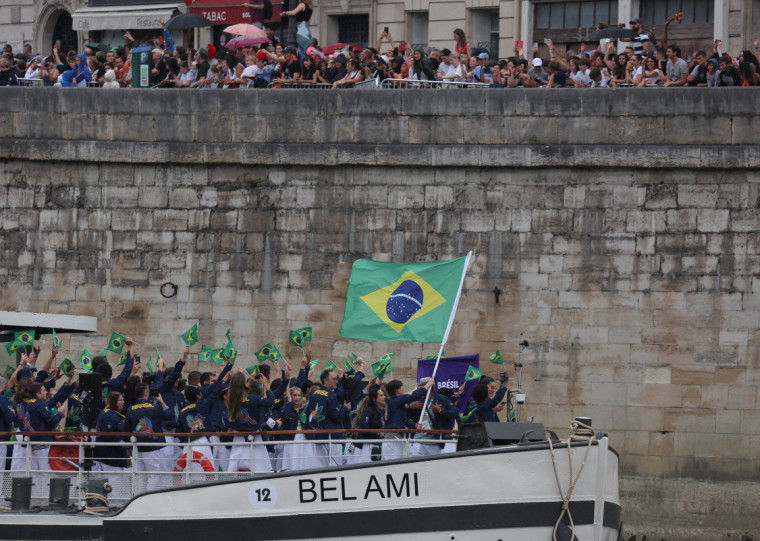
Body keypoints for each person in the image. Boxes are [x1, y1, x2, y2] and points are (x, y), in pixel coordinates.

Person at [125, 383, 173, 490]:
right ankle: (148, 498)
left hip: (136, 446)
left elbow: (126, 430)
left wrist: (128, 447)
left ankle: (136, 497)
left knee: (138, 474)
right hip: (152, 446)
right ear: (147, 393)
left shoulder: (130, 409)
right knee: (153, 474)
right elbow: (169, 415)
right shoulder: (155, 407)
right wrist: (161, 401)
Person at [302, 368, 350, 468]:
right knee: (335, 466)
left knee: (320, 467)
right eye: (334, 379)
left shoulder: (314, 394)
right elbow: (337, 417)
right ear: (325, 381)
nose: (336, 381)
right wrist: (345, 409)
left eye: (337, 379)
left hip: (317, 437)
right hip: (331, 438)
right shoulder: (331, 395)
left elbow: (308, 414)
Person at [382, 377, 434, 460]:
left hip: (399, 437)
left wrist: (414, 425)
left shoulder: (397, 403)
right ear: (398, 390)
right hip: (392, 439)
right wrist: (427, 386)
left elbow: (404, 419)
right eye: (402, 388)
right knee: (393, 464)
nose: (403, 390)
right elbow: (412, 397)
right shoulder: (394, 401)